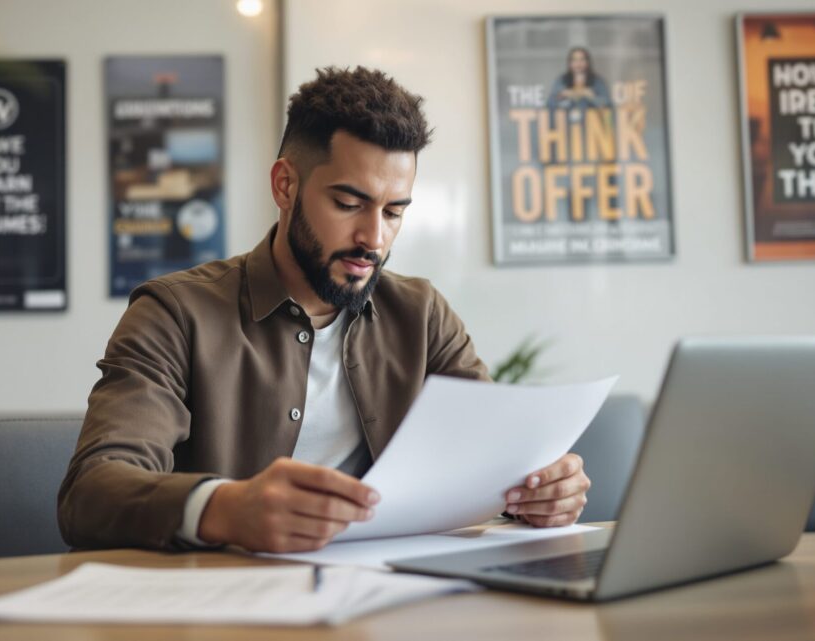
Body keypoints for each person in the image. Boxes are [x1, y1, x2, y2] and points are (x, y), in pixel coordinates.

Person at [58, 66, 590, 554]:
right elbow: (93, 491)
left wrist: (541, 492)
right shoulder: (174, 313)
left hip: (390, 601)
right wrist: (225, 507)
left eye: (394, 211)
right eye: (349, 203)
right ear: (285, 185)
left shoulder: (422, 314)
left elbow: (495, 461)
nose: (373, 238)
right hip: (224, 607)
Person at [547, 46, 611, 113]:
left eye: (582, 59)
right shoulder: (561, 81)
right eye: (574, 60)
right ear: (569, 63)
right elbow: (550, 104)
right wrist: (562, 95)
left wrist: (592, 97)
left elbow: (607, 104)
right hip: (567, 121)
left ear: (588, 62)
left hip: (592, 121)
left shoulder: (597, 81)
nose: (578, 63)